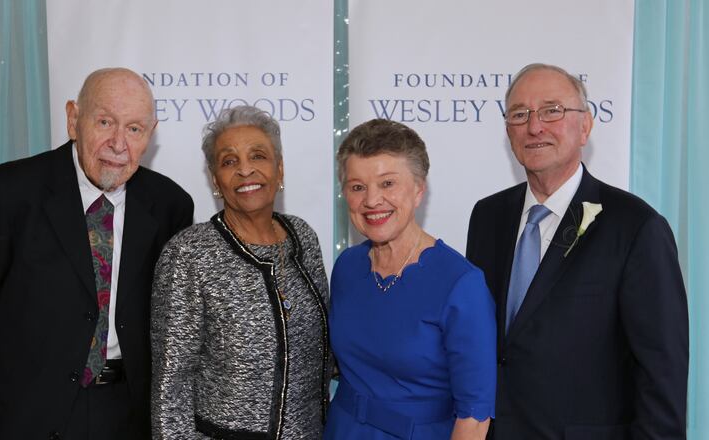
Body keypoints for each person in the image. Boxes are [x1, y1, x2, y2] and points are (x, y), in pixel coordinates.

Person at [0, 67, 194, 440]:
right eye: (105, 122)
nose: (118, 143)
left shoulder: (170, 206)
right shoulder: (6, 192)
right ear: (73, 119)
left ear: (150, 135)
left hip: (127, 414)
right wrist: (38, 365)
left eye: (134, 129)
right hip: (27, 408)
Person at [466, 63, 688, 439]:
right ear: (508, 132)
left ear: (585, 126)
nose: (535, 126)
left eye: (552, 110)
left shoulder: (636, 227)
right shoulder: (487, 216)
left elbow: (661, 376)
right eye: (520, 114)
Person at [150, 105, 331, 439]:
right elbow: (170, 386)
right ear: (215, 180)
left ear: (280, 170)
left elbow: (324, 349)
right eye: (229, 161)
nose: (246, 170)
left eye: (258, 156)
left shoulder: (303, 237)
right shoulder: (189, 253)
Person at [324, 119, 496, 440]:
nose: (372, 200)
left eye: (388, 183)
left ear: (419, 189)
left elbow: (474, 417)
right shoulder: (347, 267)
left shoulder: (461, 284)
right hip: (342, 430)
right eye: (357, 186)